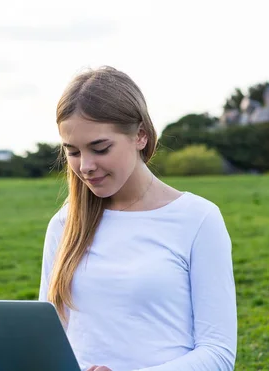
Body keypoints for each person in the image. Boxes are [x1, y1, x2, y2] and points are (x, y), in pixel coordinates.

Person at [38, 66, 237, 371]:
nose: (86, 166)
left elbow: (218, 353)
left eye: (100, 148)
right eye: (73, 152)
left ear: (140, 135)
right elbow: (45, 343)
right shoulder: (64, 225)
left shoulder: (198, 220)